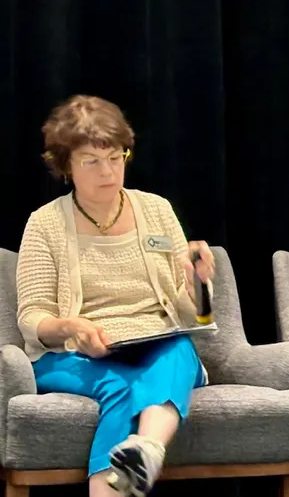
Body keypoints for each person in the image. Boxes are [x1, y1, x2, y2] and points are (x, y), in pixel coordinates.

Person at [15, 95, 217, 497]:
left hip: (154, 343)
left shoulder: (156, 210)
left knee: (179, 347)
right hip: (75, 353)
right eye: (91, 161)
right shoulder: (45, 224)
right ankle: (142, 455)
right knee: (122, 386)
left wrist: (199, 284)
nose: (108, 171)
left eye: (115, 157)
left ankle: (147, 448)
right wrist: (72, 326)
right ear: (66, 166)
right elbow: (32, 316)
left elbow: (196, 315)